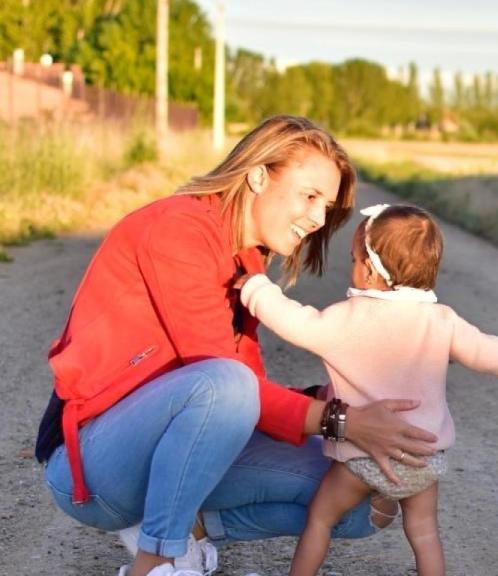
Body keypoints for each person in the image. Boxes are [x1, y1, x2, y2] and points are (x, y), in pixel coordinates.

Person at [34, 116, 438, 576]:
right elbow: (225, 382)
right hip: (93, 462)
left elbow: (250, 395)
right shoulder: (178, 229)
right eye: (310, 196)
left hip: (167, 449)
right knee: (227, 385)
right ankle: (157, 562)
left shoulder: (244, 260)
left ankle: (192, 528)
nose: (319, 219)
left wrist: (331, 402)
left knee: (361, 494)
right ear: (259, 175)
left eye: (327, 205)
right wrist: (340, 422)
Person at [237, 203, 498, 576]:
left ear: (370, 271)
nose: (352, 266)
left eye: (355, 258)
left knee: (320, 520)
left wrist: (258, 290)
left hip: (360, 458)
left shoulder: (347, 317)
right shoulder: (441, 320)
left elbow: (295, 322)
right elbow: (490, 353)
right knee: (424, 533)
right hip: (424, 456)